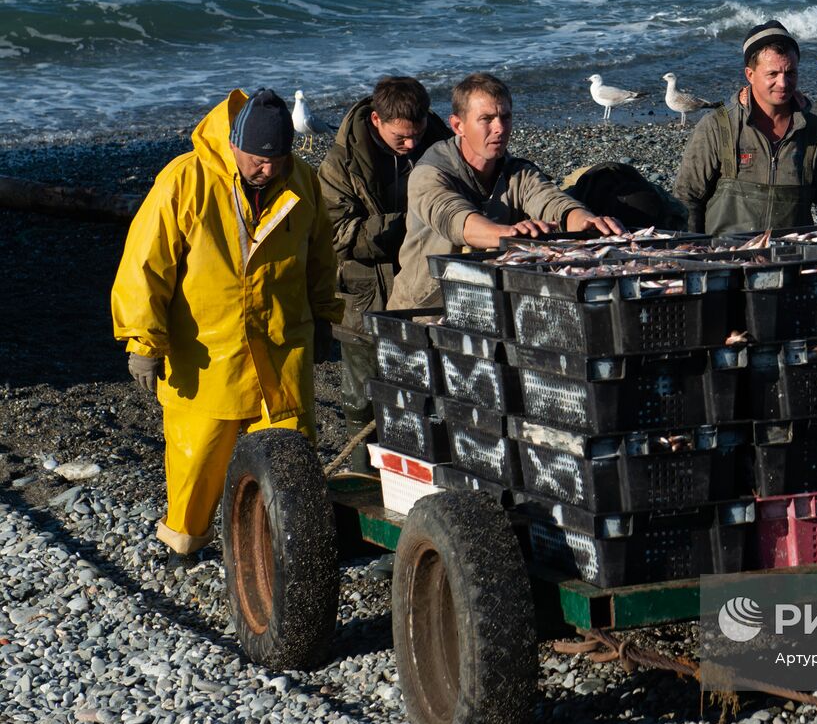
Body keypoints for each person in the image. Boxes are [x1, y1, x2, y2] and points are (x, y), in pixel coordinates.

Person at [112, 88, 343, 561]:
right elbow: (145, 264)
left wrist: (324, 316)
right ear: (234, 145)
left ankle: (278, 547)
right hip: (205, 353)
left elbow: (320, 256)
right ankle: (185, 541)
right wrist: (143, 340)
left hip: (282, 346)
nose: (269, 168)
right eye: (259, 159)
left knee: (289, 456)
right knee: (197, 458)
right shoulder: (185, 181)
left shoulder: (302, 181)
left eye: (279, 157)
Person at [388, 73, 624, 310]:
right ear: (458, 126)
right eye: (487, 119)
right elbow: (455, 218)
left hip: (488, 305)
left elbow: (550, 200)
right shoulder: (430, 173)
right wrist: (509, 234)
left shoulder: (516, 171)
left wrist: (585, 222)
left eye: (505, 117)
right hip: (424, 310)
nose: (499, 128)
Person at [318, 76, 451, 430]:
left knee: (427, 390)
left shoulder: (445, 147)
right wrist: (410, 226)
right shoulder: (339, 163)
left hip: (428, 288)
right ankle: (363, 474)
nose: (412, 143)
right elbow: (336, 233)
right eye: (401, 137)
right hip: (364, 296)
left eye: (418, 134)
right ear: (376, 120)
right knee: (362, 397)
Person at [671, 20, 817, 236]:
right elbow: (687, 199)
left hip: (795, 257)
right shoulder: (717, 127)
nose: (783, 83)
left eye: (790, 73)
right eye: (772, 74)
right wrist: (695, 251)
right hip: (728, 259)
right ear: (750, 74)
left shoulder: (815, 130)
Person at [563, 161, 688, 232]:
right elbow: (559, 211)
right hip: (582, 179)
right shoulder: (572, 198)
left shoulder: (672, 210)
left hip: (628, 181)